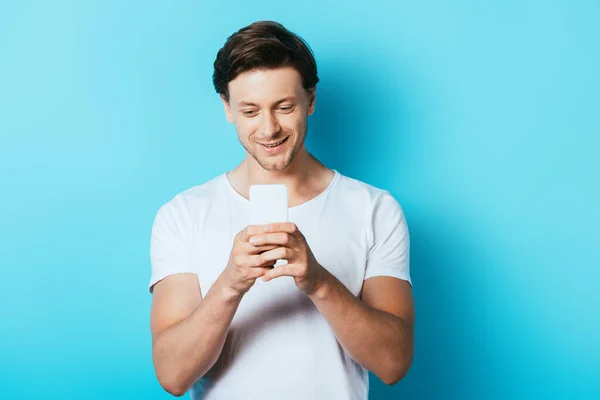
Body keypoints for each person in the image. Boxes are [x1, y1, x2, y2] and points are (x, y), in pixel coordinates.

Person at [148, 20, 414, 400]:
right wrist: (230, 284)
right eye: (250, 110)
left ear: (311, 100)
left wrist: (319, 282)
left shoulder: (375, 210)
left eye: (284, 106)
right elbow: (172, 376)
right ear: (228, 108)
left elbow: (394, 364)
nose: (269, 129)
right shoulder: (183, 215)